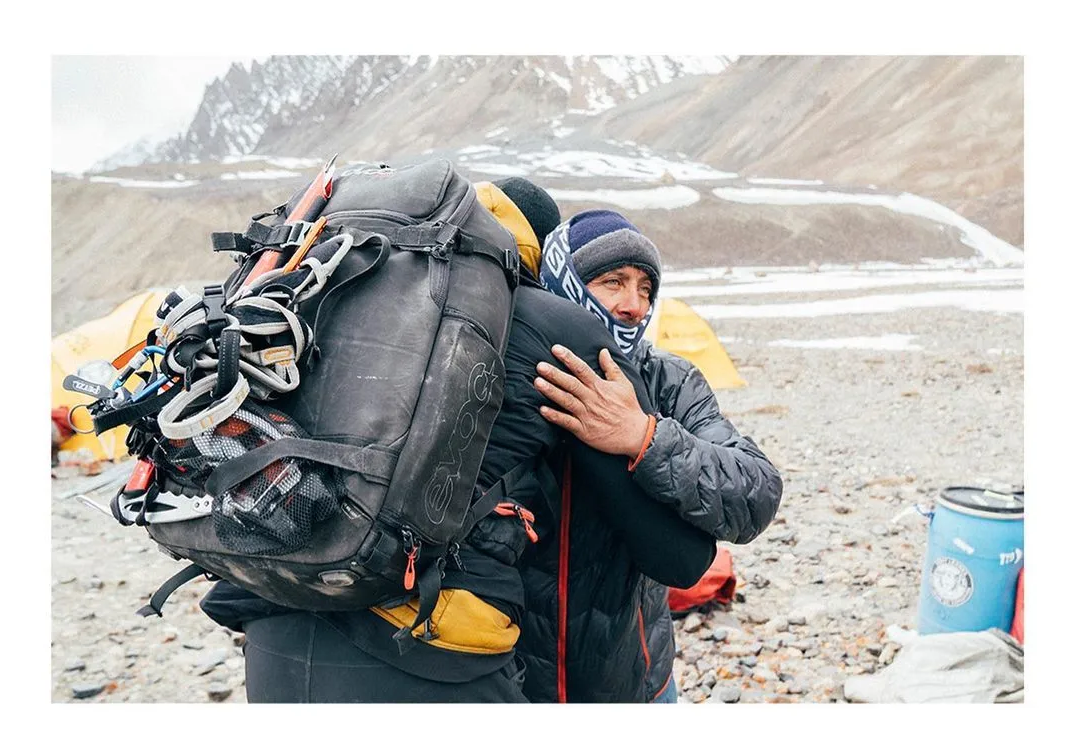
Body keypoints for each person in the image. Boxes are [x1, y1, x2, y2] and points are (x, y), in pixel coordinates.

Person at [201, 181, 714, 701]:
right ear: (544, 257)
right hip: (429, 645)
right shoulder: (553, 329)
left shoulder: (343, 302)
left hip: (276, 621)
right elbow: (679, 559)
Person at [516, 208, 782, 702]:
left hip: (636, 681)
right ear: (561, 279)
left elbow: (756, 493)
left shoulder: (669, 382)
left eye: (645, 289)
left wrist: (644, 437)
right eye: (613, 281)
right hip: (513, 688)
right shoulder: (513, 379)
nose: (633, 305)